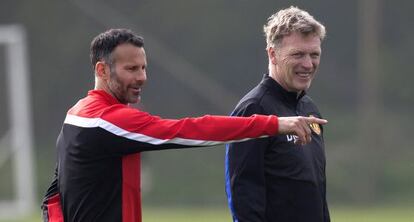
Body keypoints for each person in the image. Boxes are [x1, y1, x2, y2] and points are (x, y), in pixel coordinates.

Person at [41, 28, 327, 222]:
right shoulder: (108, 121)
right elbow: (191, 130)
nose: (142, 77)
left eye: (143, 67)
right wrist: (274, 124)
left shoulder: (77, 112)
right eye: (131, 69)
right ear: (102, 70)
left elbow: (55, 193)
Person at [225, 6, 330, 222]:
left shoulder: (310, 109)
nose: (308, 64)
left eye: (314, 55)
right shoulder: (253, 109)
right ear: (272, 54)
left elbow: (317, 196)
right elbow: (242, 196)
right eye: (298, 54)